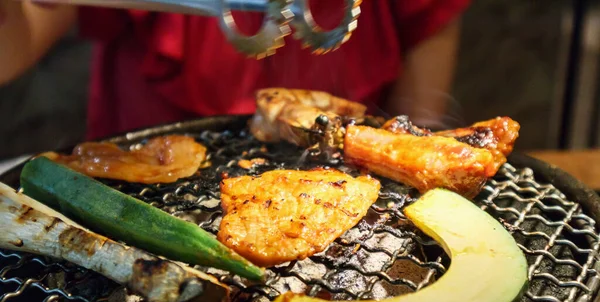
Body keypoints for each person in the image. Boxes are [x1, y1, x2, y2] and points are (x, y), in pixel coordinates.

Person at [0, 0, 470, 140]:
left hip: (340, 185)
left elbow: (429, 23)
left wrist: (423, 135)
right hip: (138, 195)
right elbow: (13, 48)